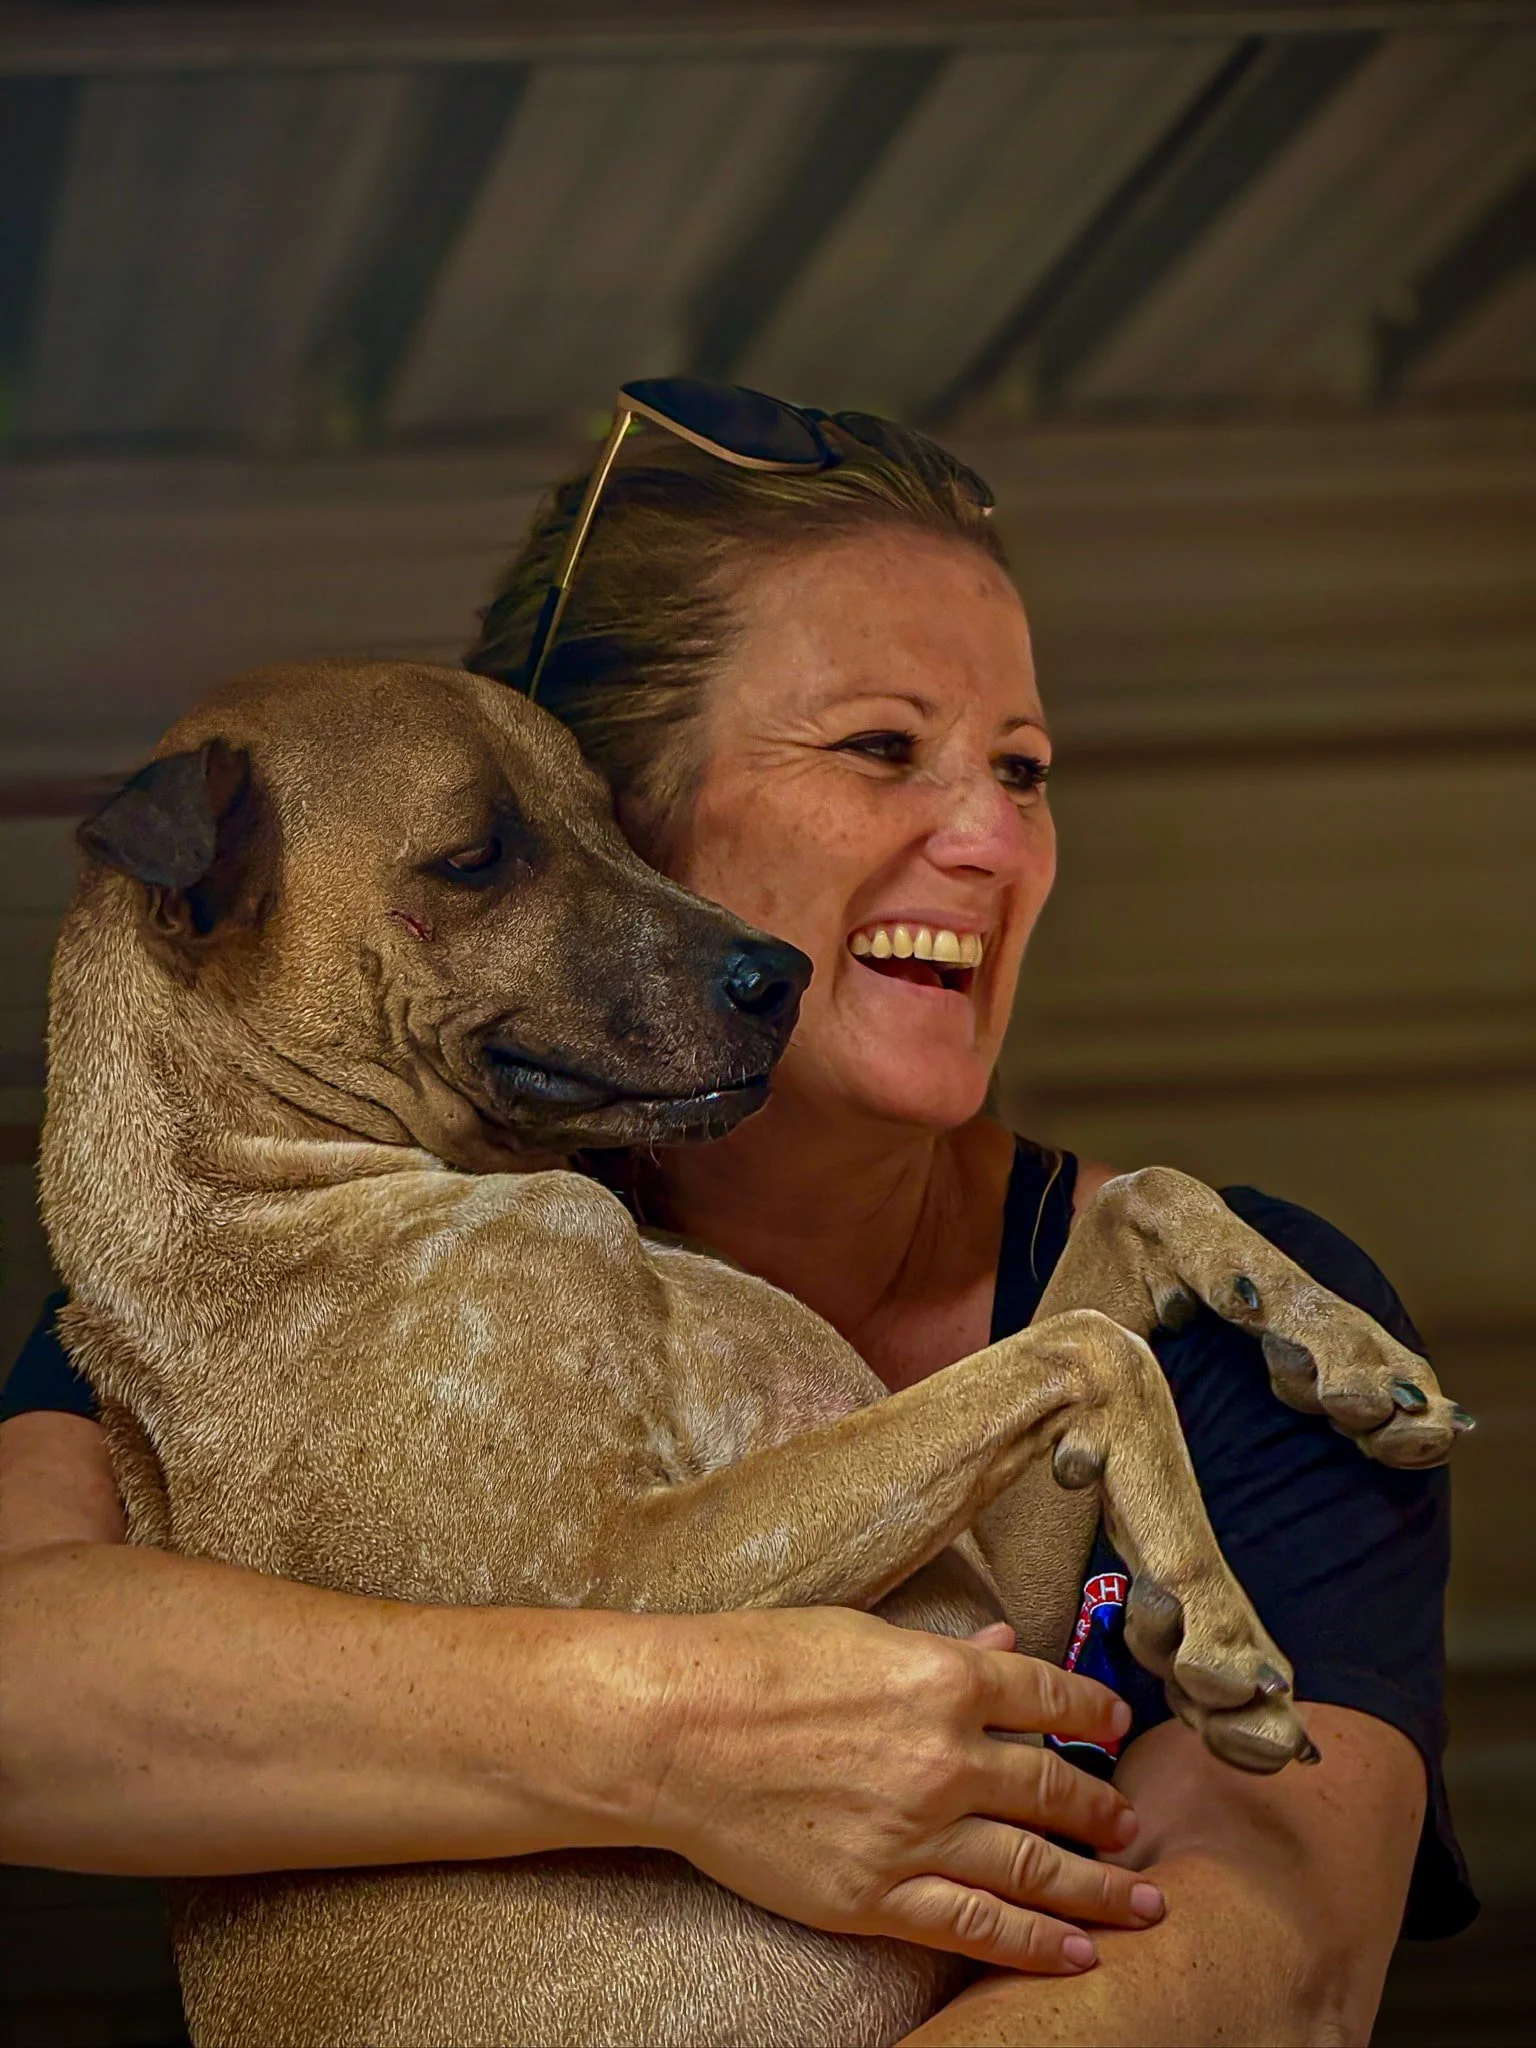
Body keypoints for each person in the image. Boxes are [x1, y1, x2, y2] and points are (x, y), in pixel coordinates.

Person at [1, 382, 1474, 2045]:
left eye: (1026, 768)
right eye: (879, 749)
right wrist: (670, 1738)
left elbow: (1277, 1971)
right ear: (623, 817)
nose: (991, 839)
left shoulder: (1248, 1317)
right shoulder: (281, 1287)